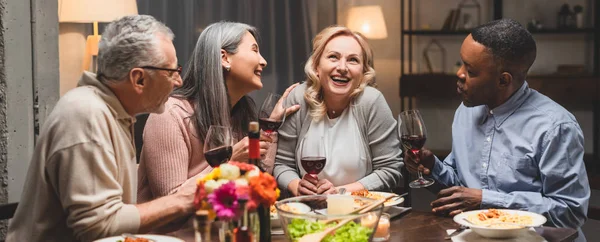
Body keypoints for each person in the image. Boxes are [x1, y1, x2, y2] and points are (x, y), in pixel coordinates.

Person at [6, 15, 198, 242]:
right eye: (171, 71)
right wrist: (181, 201)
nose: (179, 81)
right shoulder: (86, 116)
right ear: (139, 79)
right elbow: (97, 226)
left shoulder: (116, 113)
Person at [404, 19, 590, 237]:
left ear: (503, 80)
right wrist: (432, 167)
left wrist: (486, 199)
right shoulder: (466, 111)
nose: (459, 73)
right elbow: (461, 188)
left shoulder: (555, 127)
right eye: (461, 63)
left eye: (471, 71)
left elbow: (569, 213)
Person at [273, 26, 403, 197]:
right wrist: (297, 185)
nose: (342, 67)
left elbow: (390, 169)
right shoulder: (299, 97)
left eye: (353, 60)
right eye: (333, 57)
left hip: (362, 211)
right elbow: (282, 164)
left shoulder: (371, 102)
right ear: (316, 66)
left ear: (363, 71)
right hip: (307, 211)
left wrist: (341, 192)